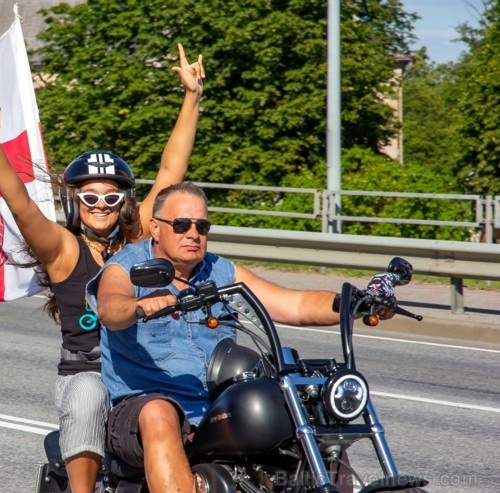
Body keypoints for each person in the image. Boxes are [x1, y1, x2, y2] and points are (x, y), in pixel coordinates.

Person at [0, 44, 205, 493]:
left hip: (139, 370)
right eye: (89, 197)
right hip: (87, 373)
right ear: (75, 202)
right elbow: (20, 206)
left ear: (126, 203)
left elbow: (171, 171)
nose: (100, 206)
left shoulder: (138, 239)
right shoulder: (63, 249)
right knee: (89, 395)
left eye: (112, 198)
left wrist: (191, 97)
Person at [87, 181, 393, 493]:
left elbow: (294, 304)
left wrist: (354, 304)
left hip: (214, 411)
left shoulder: (221, 272)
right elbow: (111, 307)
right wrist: (139, 306)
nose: (193, 234)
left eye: (201, 226)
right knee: (159, 412)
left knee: (313, 405)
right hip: (139, 412)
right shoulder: (128, 267)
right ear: (155, 227)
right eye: (181, 225)